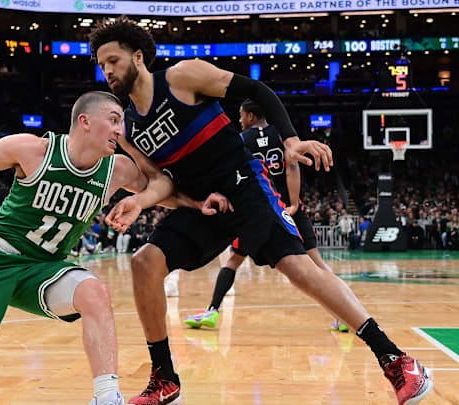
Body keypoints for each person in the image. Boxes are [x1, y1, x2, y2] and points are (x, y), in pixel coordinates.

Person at [90, 17, 432, 405]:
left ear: (138, 56)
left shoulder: (182, 77)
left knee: (299, 269)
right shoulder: (130, 128)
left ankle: (396, 359)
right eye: (102, 65)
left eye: (113, 60)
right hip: (208, 205)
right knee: (143, 263)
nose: (108, 71)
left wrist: (290, 140)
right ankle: (165, 378)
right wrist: (142, 201)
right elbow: (162, 182)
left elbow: (257, 90)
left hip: (246, 187)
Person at [0, 92, 200, 405]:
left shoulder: (117, 169)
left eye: (121, 123)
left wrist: (182, 201)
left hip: (45, 267)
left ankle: (106, 395)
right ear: (84, 121)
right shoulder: (34, 151)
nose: (120, 129)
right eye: (113, 120)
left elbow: (163, 184)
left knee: (94, 292)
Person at [183, 99, 348, 332]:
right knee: (316, 263)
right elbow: (292, 167)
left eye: (241, 115)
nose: (239, 120)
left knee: (233, 261)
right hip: (288, 206)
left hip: (259, 207)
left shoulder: (242, 140)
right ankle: (343, 316)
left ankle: (212, 311)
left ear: (250, 116)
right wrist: (292, 203)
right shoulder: (282, 135)